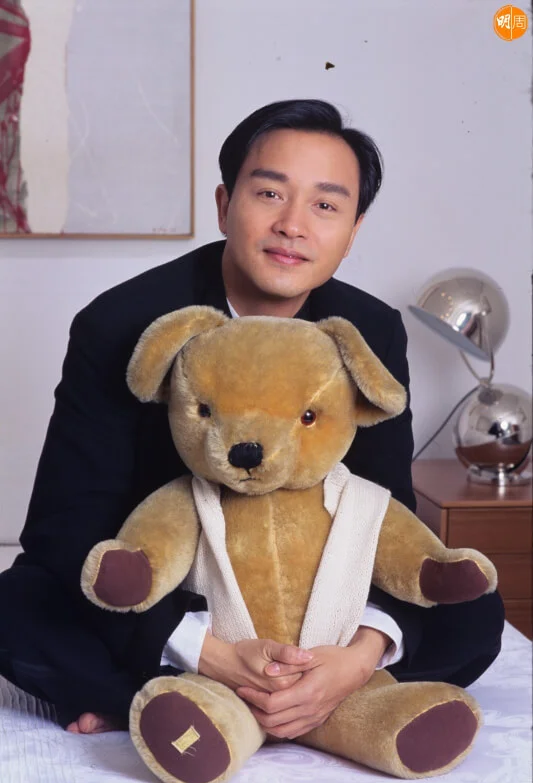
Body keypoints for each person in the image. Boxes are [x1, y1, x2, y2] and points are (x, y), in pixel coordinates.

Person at [0, 100, 504, 741]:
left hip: (319, 601)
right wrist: (208, 651)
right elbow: (62, 530)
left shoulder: (369, 331)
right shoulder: (121, 323)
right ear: (224, 205)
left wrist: (358, 656)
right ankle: (207, 691)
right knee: (18, 605)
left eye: (325, 205)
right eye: (269, 193)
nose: (292, 225)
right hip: (174, 594)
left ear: (352, 232)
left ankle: (229, 700)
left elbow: (389, 512)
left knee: (475, 609)